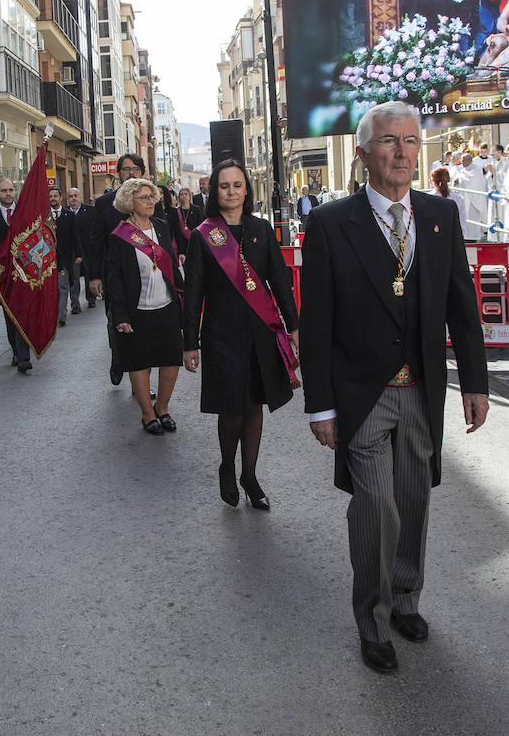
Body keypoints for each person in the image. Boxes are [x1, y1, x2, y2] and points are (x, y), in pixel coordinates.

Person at [299, 101, 488, 674]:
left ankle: (406, 597)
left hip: (422, 391)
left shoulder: (440, 216)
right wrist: (320, 406)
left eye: (410, 141)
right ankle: (374, 622)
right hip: (362, 395)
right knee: (376, 506)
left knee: (413, 500)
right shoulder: (331, 224)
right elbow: (318, 322)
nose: (402, 152)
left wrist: (475, 383)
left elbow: (461, 304)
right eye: (389, 142)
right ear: (362, 154)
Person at [182, 160, 297, 509]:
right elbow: (195, 293)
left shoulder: (262, 229)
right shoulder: (204, 236)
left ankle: (250, 474)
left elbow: (279, 280)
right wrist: (190, 343)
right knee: (233, 406)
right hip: (222, 333)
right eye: (224, 186)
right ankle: (227, 465)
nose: (231, 192)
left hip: (261, 331)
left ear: (246, 190)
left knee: (255, 403)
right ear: (213, 192)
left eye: (237, 185)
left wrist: (294, 326)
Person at [102, 178, 183, 435]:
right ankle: (147, 415)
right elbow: (113, 280)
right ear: (129, 203)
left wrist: (185, 297)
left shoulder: (161, 226)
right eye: (143, 197)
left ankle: (163, 407)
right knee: (138, 363)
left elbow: (171, 264)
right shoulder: (119, 236)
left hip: (167, 305)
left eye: (152, 196)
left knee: (171, 360)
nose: (150, 201)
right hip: (137, 310)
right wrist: (120, 315)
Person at [86, 154, 148, 386]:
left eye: (135, 169)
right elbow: (96, 242)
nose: (131, 173)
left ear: (142, 172)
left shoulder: (152, 201)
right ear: (118, 173)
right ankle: (118, 358)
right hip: (114, 278)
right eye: (125, 169)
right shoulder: (104, 204)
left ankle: (140, 381)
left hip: (145, 276)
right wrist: (94, 276)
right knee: (116, 324)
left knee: (143, 328)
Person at [0, 177, 32, 373]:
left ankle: (24, 357)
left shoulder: (25, 214)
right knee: (10, 317)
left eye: (11, 190)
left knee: (23, 314)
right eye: (4, 191)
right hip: (4, 277)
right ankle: (16, 350)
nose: (8, 193)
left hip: (26, 276)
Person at [49, 187, 82, 326]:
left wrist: (79, 254)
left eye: (55, 196)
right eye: (50, 196)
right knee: (61, 286)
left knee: (72, 281)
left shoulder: (69, 215)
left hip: (69, 255)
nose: (53, 199)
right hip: (51, 257)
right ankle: (60, 315)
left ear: (61, 198)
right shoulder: (45, 216)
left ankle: (74, 303)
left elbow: (76, 236)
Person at [69, 187, 97, 309]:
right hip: (73, 251)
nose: (73, 198)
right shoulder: (65, 213)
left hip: (88, 249)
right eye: (70, 196)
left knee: (88, 274)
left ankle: (91, 298)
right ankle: (75, 304)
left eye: (75, 195)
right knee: (74, 278)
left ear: (80, 197)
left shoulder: (90, 211)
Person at [428, 167, 468, 233]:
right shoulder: (458, 198)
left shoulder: (428, 198)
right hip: (454, 234)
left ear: (432, 181)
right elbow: (462, 221)